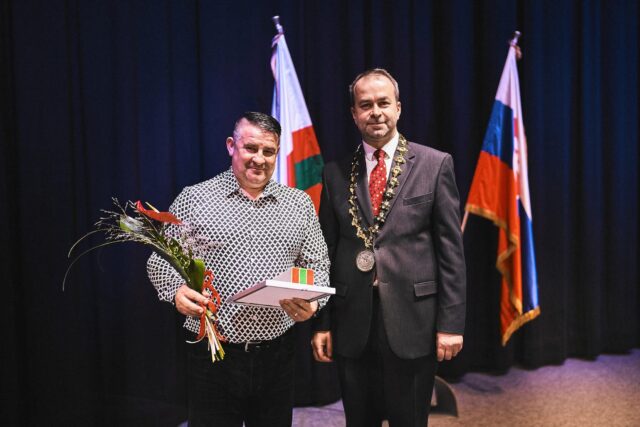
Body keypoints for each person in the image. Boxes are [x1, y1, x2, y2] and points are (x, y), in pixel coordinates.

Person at [147, 111, 330, 427]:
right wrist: (176, 291)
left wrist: (313, 302)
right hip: (214, 352)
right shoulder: (195, 198)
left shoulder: (298, 204)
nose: (259, 159)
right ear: (231, 145)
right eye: (251, 148)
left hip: (278, 353)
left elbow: (317, 265)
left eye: (268, 151)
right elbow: (161, 260)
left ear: (277, 152)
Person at [311, 69, 466, 426]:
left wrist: (451, 323)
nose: (376, 112)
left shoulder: (435, 164)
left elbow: (451, 254)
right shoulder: (334, 173)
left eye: (383, 103)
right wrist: (322, 323)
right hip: (352, 322)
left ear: (398, 108)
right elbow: (325, 253)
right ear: (354, 113)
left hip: (415, 321)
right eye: (365, 105)